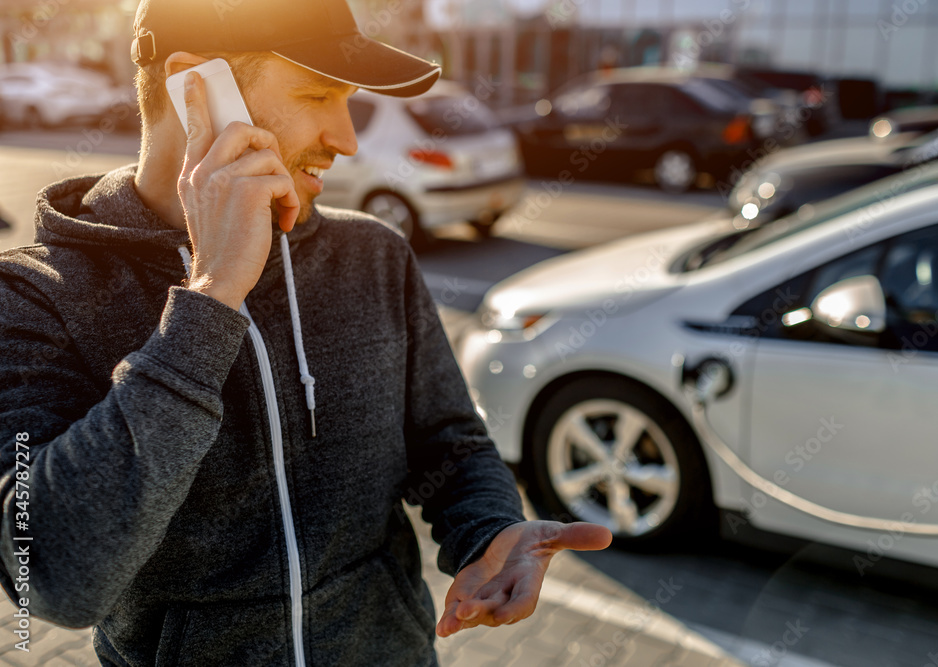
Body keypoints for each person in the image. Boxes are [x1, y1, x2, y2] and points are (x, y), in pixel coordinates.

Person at [0, 0, 612, 664]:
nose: (347, 139)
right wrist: (211, 296)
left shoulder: (373, 255)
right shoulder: (35, 295)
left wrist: (488, 528)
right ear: (197, 90)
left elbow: (449, 440)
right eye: (319, 94)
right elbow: (52, 574)